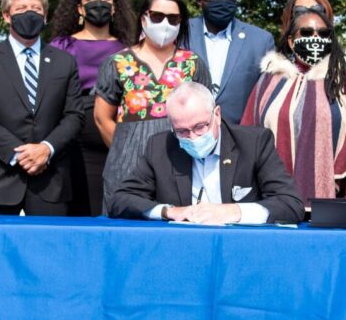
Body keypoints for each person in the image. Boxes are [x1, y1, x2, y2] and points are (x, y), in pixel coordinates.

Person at [241, 0, 346, 204]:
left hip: (331, 205)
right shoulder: (269, 80)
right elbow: (248, 139)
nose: (315, 39)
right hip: (273, 201)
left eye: (323, 34)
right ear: (291, 39)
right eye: (306, 32)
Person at [0, 0, 82, 215]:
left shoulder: (64, 62)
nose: (30, 14)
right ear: (7, 15)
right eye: (21, 9)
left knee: (49, 250)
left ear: (45, 16)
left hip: (50, 182)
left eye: (36, 9)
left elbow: (74, 116)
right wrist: (20, 154)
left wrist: (46, 149)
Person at [107, 81, 304, 223]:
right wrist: (169, 211)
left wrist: (233, 212)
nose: (193, 137)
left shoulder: (255, 143)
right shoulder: (160, 147)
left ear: (216, 115)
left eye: (200, 126)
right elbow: (120, 200)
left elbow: (290, 204)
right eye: (182, 131)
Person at [93, 0, 207, 212]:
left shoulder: (193, 62)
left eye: (173, 19)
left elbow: (206, 116)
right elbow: (101, 117)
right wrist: (125, 151)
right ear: (143, 17)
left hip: (181, 166)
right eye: (157, 16)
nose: (165, 23)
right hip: (126, 168)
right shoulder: (117, 62)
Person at [49, 0, 136, 215]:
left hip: (118, 141)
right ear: (79, 8)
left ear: (114, 7)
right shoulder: (61, 46)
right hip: (76, 145)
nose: (98, 3)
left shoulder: (128, 48)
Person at [187, 0, 274, 124]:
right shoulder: (182, 34)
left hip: (240, 137)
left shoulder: (261, 40)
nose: (223, 0)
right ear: (199, 1)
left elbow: (268, 97)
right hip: (188, 133)